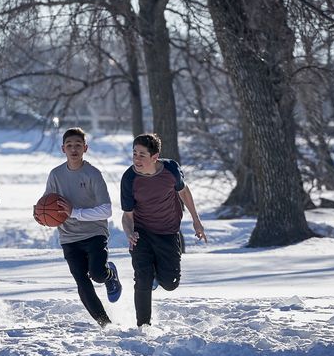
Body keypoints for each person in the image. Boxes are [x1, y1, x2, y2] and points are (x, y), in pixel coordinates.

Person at [120, 133, 208, 327]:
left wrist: (196, 220)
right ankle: (143, 327)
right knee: (142, 278)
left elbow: (183, 191)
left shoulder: (171, 170)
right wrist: (129, 233)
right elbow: (127, 216)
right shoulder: (129, 178)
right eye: (134, 153)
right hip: (141, 233)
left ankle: (156, 277)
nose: (136, 158)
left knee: (170, 283)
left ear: (154, 156)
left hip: (168, 232)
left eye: (142, 154)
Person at [38, 127, 122, 328]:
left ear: (86, 148)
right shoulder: (56, 174)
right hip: (69, 237)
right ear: (62, 149)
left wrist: (74, 212)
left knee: (97, 275)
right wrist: (41, 214)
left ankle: (110, 275)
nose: (73, 149)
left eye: (78, 145)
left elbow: (106, 210)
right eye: (69, 145)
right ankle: (105, 323)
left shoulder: (93, 174)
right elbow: (48, 202)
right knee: (82, 281)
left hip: (94, 233)